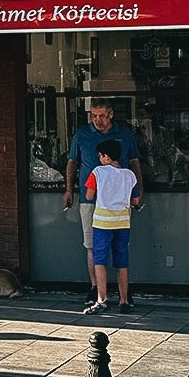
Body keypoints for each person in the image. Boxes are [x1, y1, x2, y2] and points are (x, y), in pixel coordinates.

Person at [64, 101, 142, 305]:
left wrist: (138, 191)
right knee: (91, 246)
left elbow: (135, 161)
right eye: (93, 116)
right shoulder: (82, 134)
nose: (97, 120)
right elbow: (73, 161)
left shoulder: (124, 134)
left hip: (119, 202)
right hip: (91, 204)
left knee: (118, 248)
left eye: (101, 116)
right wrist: (69, 189)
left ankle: (121, 293)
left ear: (111, 115)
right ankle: (96, 289)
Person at [82, 139, 142, 315]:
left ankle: (102, 299)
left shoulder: (98, 172)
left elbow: (89, 194)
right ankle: (124, 300)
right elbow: (136, 200)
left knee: (100, 260)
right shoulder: (130, 175)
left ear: (107, 157)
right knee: (121, 261)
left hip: (102, 222)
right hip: (123, 222)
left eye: (100, 155)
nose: (99, 158)